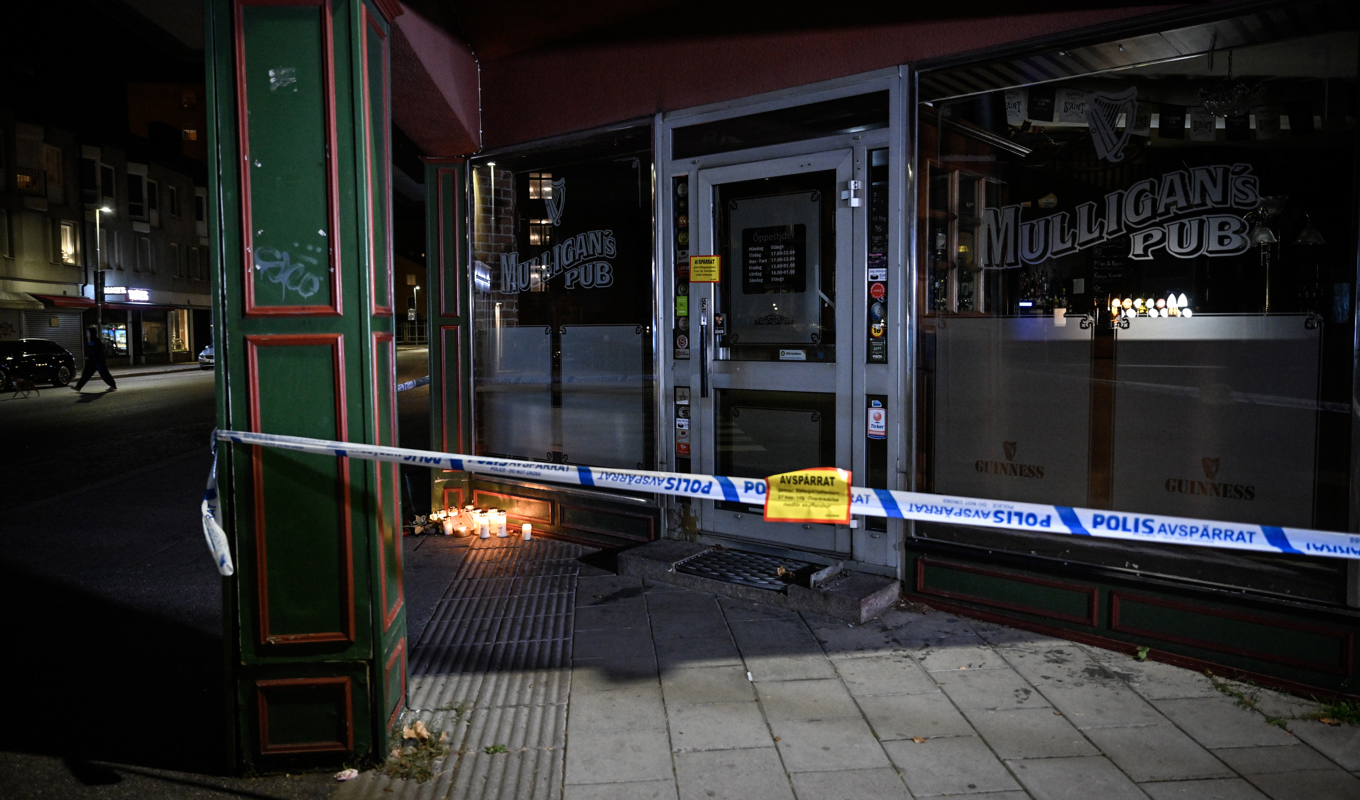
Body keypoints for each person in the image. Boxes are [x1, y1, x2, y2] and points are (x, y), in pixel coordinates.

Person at [74, 325, 117, 392]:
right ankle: (78, 387)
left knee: (104, 374)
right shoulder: (89, 341)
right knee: (86, 374)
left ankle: (113, 386)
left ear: (92, 333)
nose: (87, 334)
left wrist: (90, 355)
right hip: (92, 361)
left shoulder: (96, 341)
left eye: (88, 332)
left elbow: (96, 350)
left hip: (99, 361)